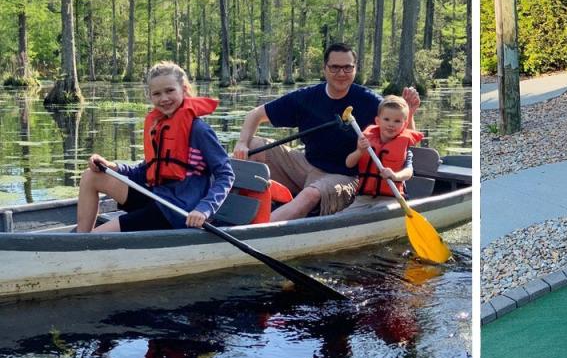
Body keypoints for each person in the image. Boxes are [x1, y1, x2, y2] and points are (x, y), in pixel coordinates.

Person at [232, 43, 421, 220]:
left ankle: (254, 232)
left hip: (346, 176)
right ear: (325, 69)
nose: (341, 73)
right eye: (335, 67)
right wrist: (241, 142)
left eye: (347, 67)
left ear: (355, 69)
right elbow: (255, 114)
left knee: (310, 194)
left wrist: (410, 113)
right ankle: (229, 207)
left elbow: (405, 140)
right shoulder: (307, 97)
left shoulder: (371, 101)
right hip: (307, 165)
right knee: (252, 145)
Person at [76, 61, 234, 232]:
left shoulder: (199, 130)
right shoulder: (159, 126)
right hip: (155, 197)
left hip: (178, 212)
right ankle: (79, 239)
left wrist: (204, 208)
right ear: (150, 96)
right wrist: (112, 166)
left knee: (98, 236)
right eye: (157, 93)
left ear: (184, 89)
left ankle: (84, 245)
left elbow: (226, 175)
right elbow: (145, 171)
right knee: (91, 176)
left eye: (170, 90)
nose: (164, 98)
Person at [346, 95, 423, 197]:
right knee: (351, 212)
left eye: (397, 121)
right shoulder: (366, 143)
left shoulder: (405, 149)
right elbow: (349, 163)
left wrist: (395, 176)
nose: (391, 124)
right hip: (363, 197)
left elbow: (408, 172)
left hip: (392, 199)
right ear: (378, 121)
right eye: (386, 119)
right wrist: (359, 151)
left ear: (404, 124)